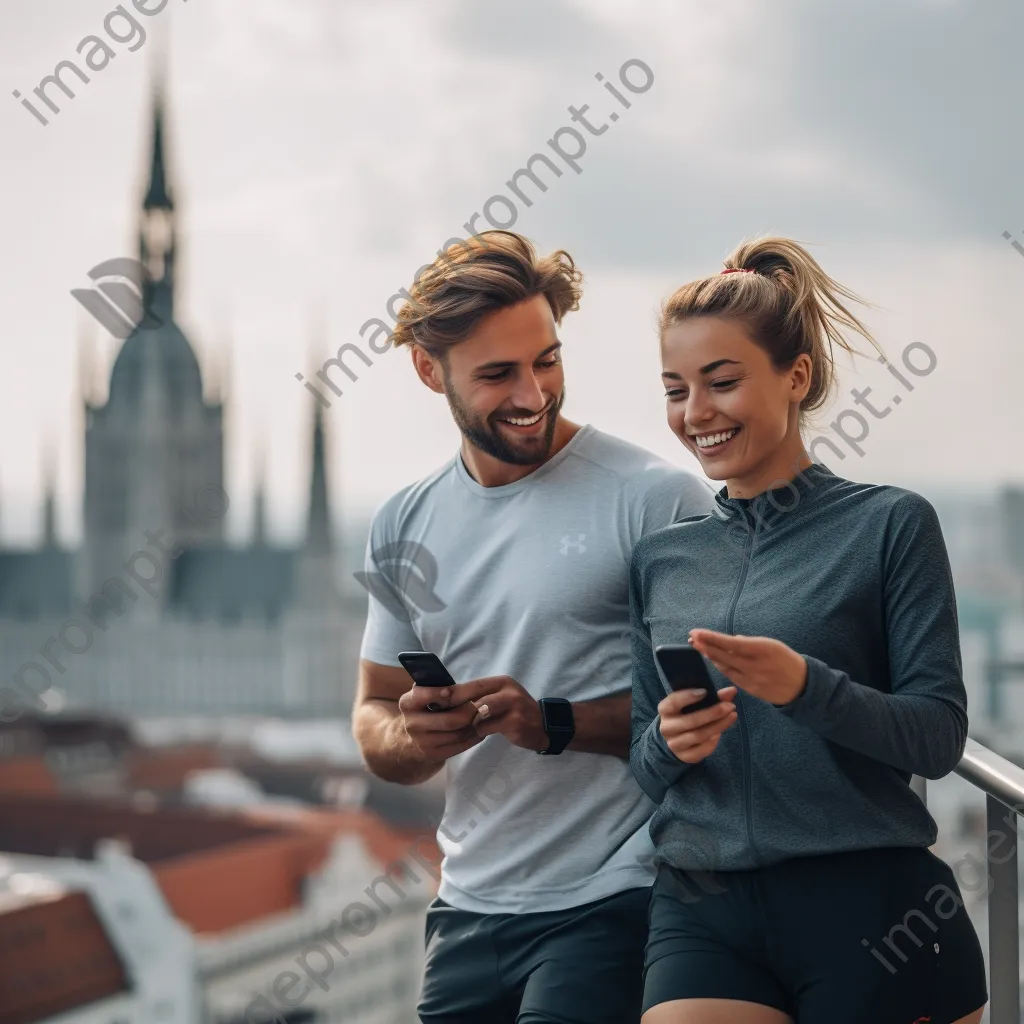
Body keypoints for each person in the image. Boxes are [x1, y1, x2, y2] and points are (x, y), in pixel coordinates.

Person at [352, 229, 715, 1024]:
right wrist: (416, 738)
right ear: (428, 369)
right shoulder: (401, 522)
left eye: (546, 359)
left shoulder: (656, 499)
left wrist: (551, 722)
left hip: (616, 894)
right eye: (498, 373)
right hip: (467, 902)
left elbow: (715, 714)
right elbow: (373, 716)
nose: (533, 393)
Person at [628, 237, 988, 1024]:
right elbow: (642, 762)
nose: (695, 414)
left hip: (873, 907)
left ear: (796, 377)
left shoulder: (890, 524)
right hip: (702, 909)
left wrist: (805, 688)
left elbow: (937, 737)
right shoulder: (662, 558)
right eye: (675, 389)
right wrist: (669, 741)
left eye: (722, 382)